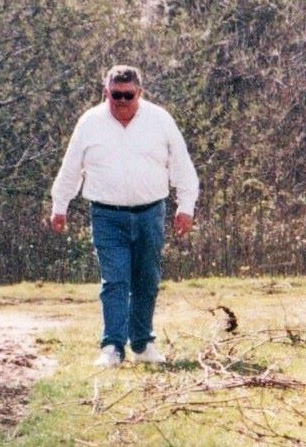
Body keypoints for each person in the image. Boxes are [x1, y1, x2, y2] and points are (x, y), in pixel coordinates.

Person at [50, 65, 199, 368]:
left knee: (147, 280)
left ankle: (142, 344)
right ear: (106, 92)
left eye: (127, 95)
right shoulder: (90, 122)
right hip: (107, 215)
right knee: (115, 281)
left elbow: (181, 164)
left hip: (150, 214)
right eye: (114, 95)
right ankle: (112, 347)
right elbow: (71, 167)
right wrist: (59, 205)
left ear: (139, 94)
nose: (120, 101)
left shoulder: (160, 120)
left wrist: (186, 207)